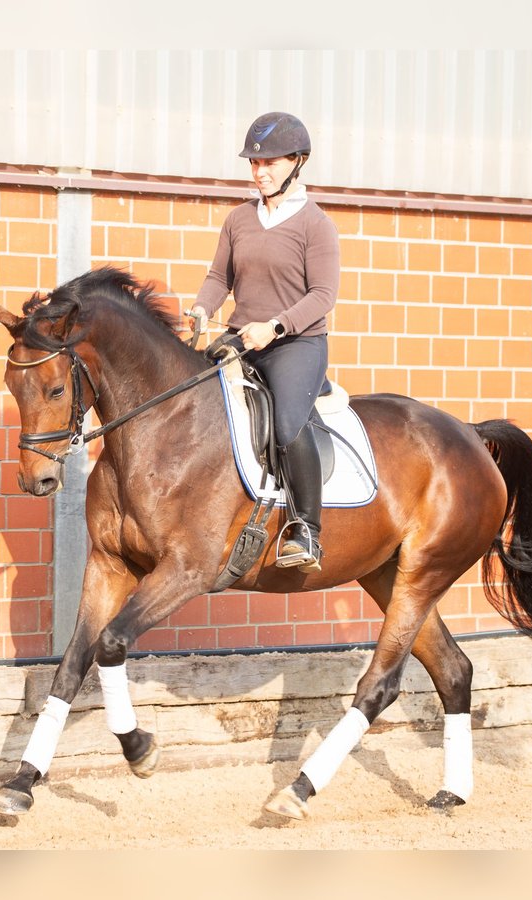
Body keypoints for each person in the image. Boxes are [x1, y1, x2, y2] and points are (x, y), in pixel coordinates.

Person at [189, 111, 340, 573]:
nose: (259, 172)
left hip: (295, 345)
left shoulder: (316, 225)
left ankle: (306, 529)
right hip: (241, 337)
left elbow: (323, 296)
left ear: (297, 162)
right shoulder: (238, 219)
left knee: (288, 424)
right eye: (254, 163)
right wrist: (201, 308)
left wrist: (274, 327)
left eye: (269, 163)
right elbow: (220, 277)